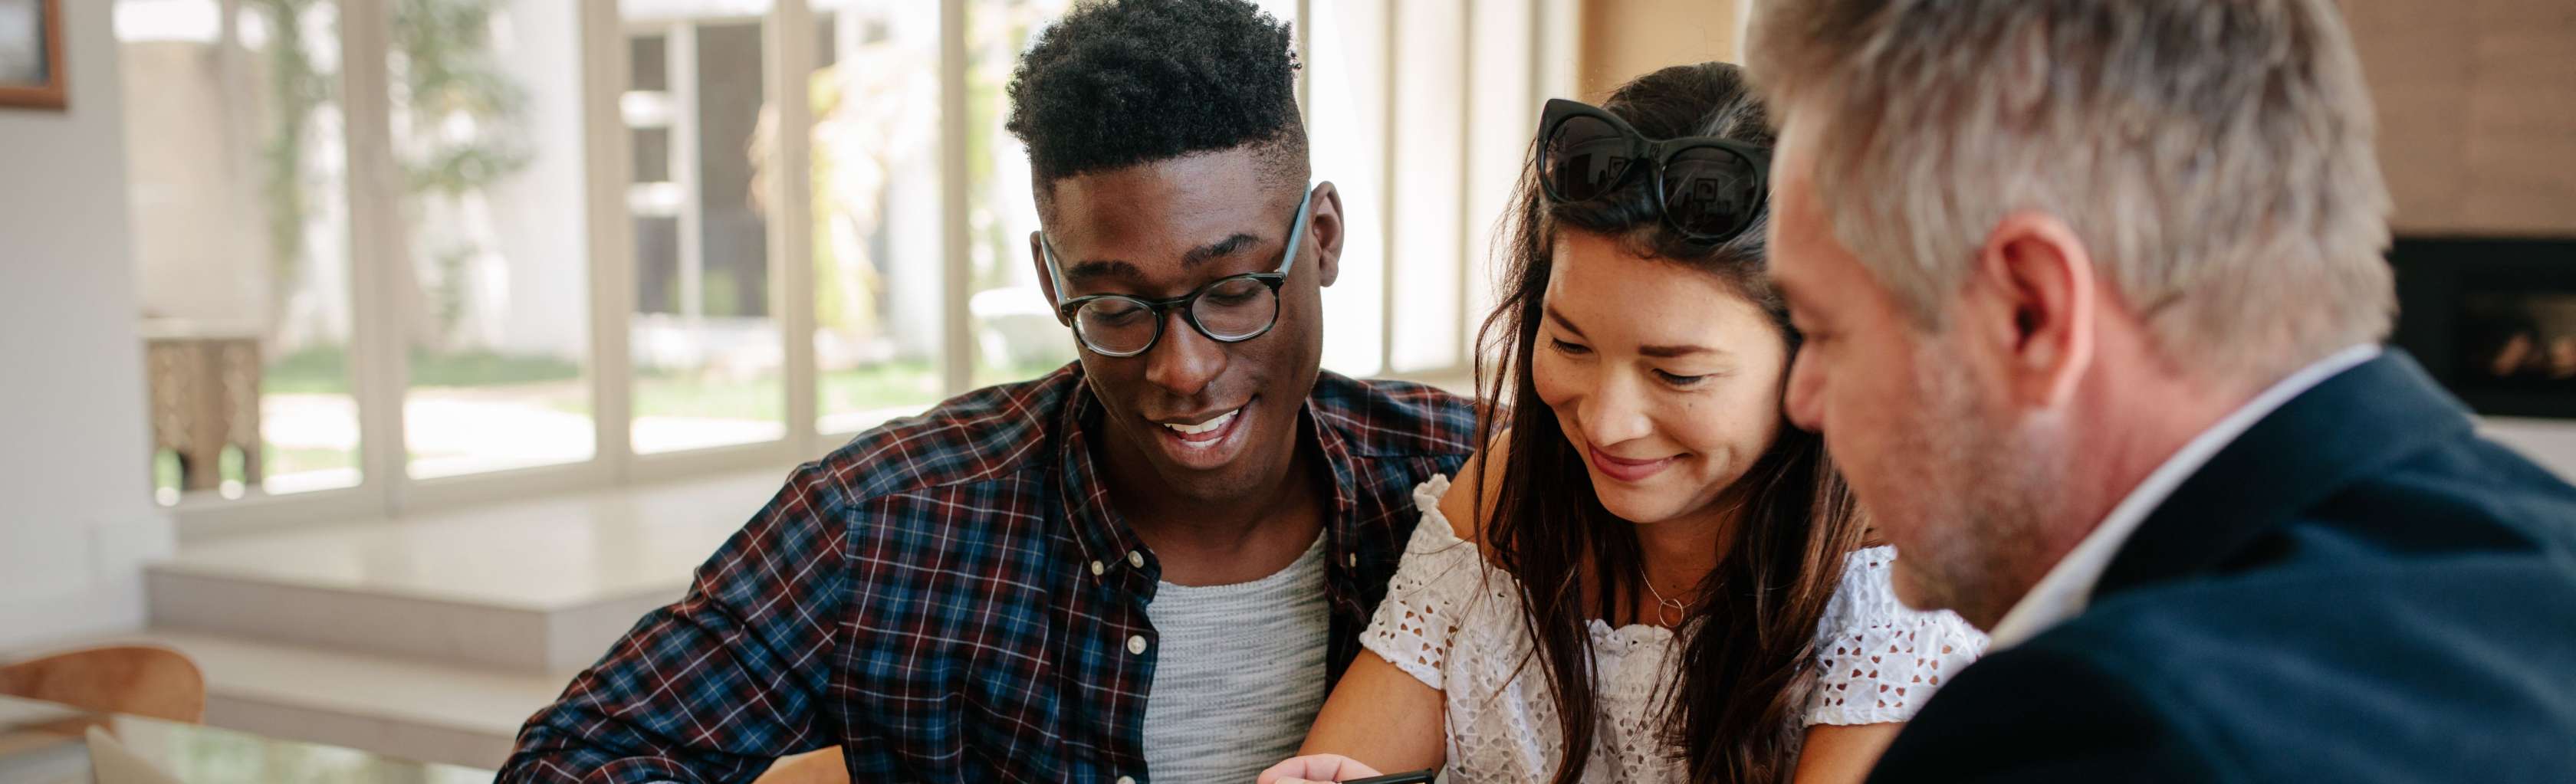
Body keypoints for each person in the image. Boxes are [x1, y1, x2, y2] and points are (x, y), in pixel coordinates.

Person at [498, 2, 1477, 782]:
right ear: (1053, 283)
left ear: (1325, 241)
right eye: (1115, 305)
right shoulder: (886, 523)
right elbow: (572, 763)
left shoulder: (1468, 485)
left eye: (1231, 292)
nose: (1181, 369)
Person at [1746, 0, 2576, 779]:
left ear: (2029, 314)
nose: (1803, 401)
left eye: (1822, 332)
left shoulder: (2092, 732)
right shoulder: (2546, 548)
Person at [1260, 63, 1983, 784]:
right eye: (1569, 343)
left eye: (1677, 374)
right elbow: (1348, 760)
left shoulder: (1898, 593)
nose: (1606, 423)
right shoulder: (1508, 496)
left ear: (1818, 356)